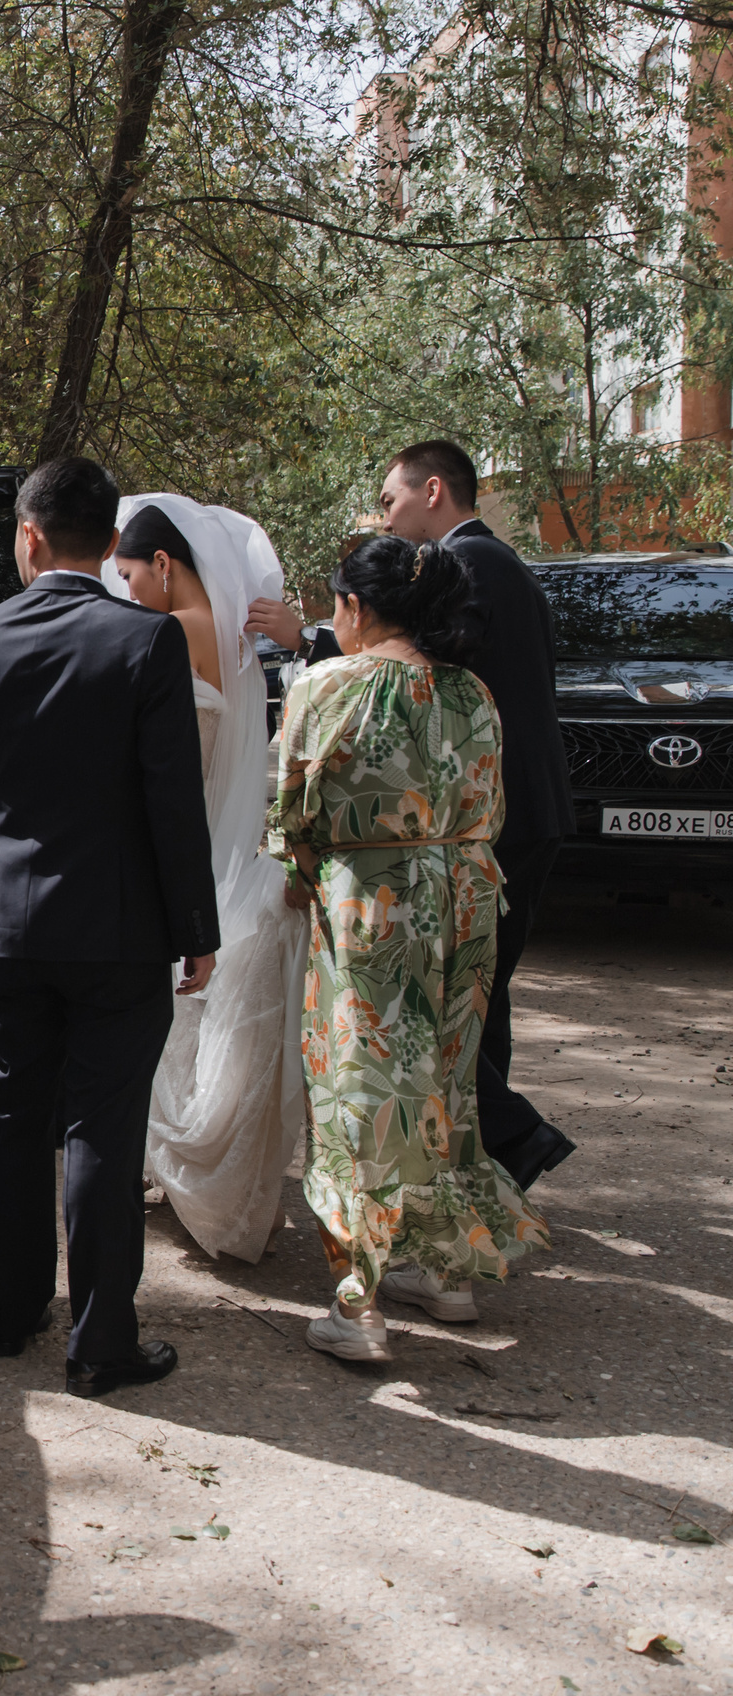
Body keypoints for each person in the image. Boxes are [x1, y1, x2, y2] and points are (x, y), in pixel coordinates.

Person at [0, 458, 220, 1398]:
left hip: (12, 927)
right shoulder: (145, 642)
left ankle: (9, 1313)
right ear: (109, 545)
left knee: (12, 1117)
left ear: (28, 536)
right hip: (119, 928)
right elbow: (172, 802)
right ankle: (101, 1343)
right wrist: (198, 928)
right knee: (102, 1127)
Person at [246, 441, 574, 1192]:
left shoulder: (479, 567)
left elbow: (412, 663)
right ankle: (483, 1157)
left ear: (433, 490)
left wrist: (311, 641)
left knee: (428, 1009)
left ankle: (505, 1143)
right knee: (473, 997)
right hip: (503, 807)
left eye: (390, 500)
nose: (386, 515)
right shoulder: (500, 563)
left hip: (483, 818)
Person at [271, 535, 549, 1362]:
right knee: (445, 1082)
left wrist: (304, 874)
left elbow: (295, 813)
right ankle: (446, 1272)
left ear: (354, 609)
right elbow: (491, 807)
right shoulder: (472, 693)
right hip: (464, 902)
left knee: (362, 1089)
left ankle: (357, 1306)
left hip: (372, 908)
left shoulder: (327, 686)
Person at [104, 496, 310, 1263]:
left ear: (163, 564)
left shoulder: (164, 634)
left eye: (128, 574)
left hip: (175, 832)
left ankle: (169, 1167)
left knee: (164, 1007)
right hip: (229, 837)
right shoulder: (237, 641)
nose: (124, 591)